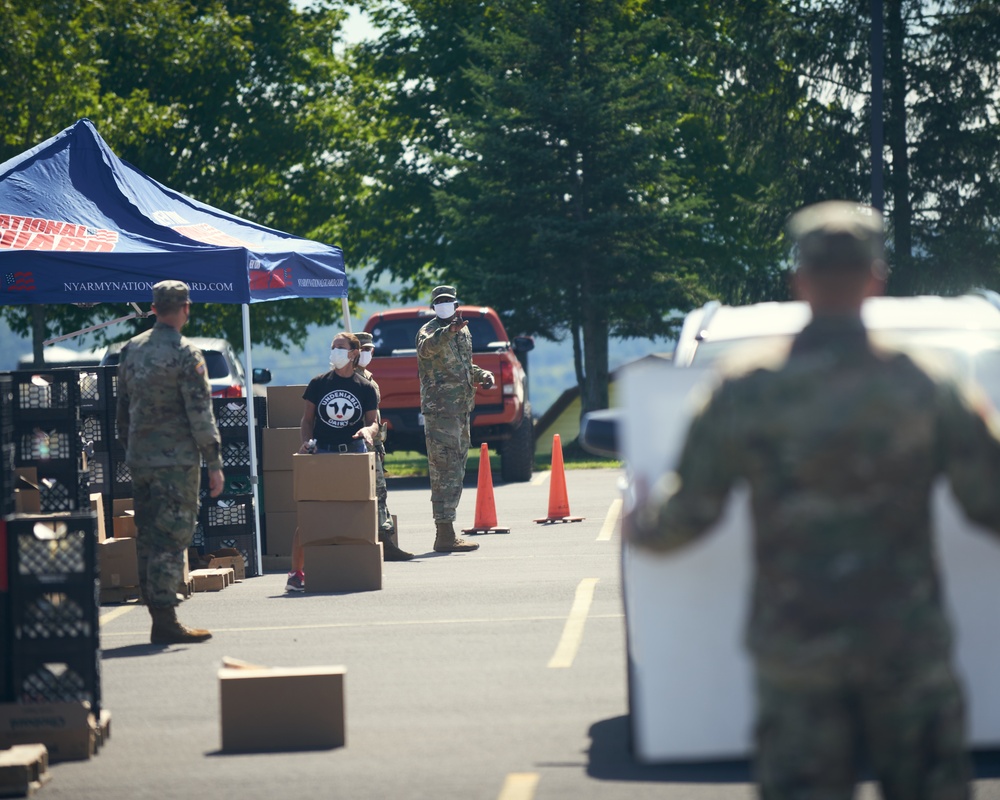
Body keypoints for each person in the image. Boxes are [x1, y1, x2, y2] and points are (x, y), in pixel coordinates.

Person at [625, 201, 1000, 799]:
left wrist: (639, 522)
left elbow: (687, 518)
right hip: (905, 649)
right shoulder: (926, 384)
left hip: (797, 654)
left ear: (799, 280)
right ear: (876, 279)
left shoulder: (747, 388)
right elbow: (990, 502)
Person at [116, 280, 225, 645]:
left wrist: (132, 448)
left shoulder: (131, 349)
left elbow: (122, 411)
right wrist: (214, 461)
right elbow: (200, 413)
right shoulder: (185, 353)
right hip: (175, 462)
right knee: (171, 536)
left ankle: (157, 611)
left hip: (141, 459)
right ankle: (164, 619)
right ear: (185, 307)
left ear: (154, 307)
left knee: (147, 536)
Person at [285, 332, 381, 592]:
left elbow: (373, 421)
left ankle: (355, 568)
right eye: (332, 347)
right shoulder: (318, 383)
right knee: (311, 514)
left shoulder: (365, 387)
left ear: (353, 353)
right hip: (322, 453)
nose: (335, 352)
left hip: (354, 452)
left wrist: (368, 432)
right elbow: (307, 419)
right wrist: (306, 442)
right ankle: (296, 573)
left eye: (340, 347)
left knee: (356, 513)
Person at [416, 285, 496, 552]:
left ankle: (448, 531)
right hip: (441, 412)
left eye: (447, 301)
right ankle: (445, 533)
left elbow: (462, 366)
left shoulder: (463, 331)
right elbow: (426, 349)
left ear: (456, 304)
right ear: (433, 306)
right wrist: (447, 332)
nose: (443, 305)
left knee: (457, 469)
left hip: (460, 410)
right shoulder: (430, 331)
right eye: (438, 302)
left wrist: (481, 375)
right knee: (444, 470)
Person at [355, 331, 414, 561]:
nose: (367, 353)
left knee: (380, 492)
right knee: (371, 494)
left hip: (374, 444)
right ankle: (380, 540)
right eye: (363, 349)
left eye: (370, 349)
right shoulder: (349, 378)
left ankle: (384, 539)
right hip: (359, 444)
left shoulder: (369, 377)